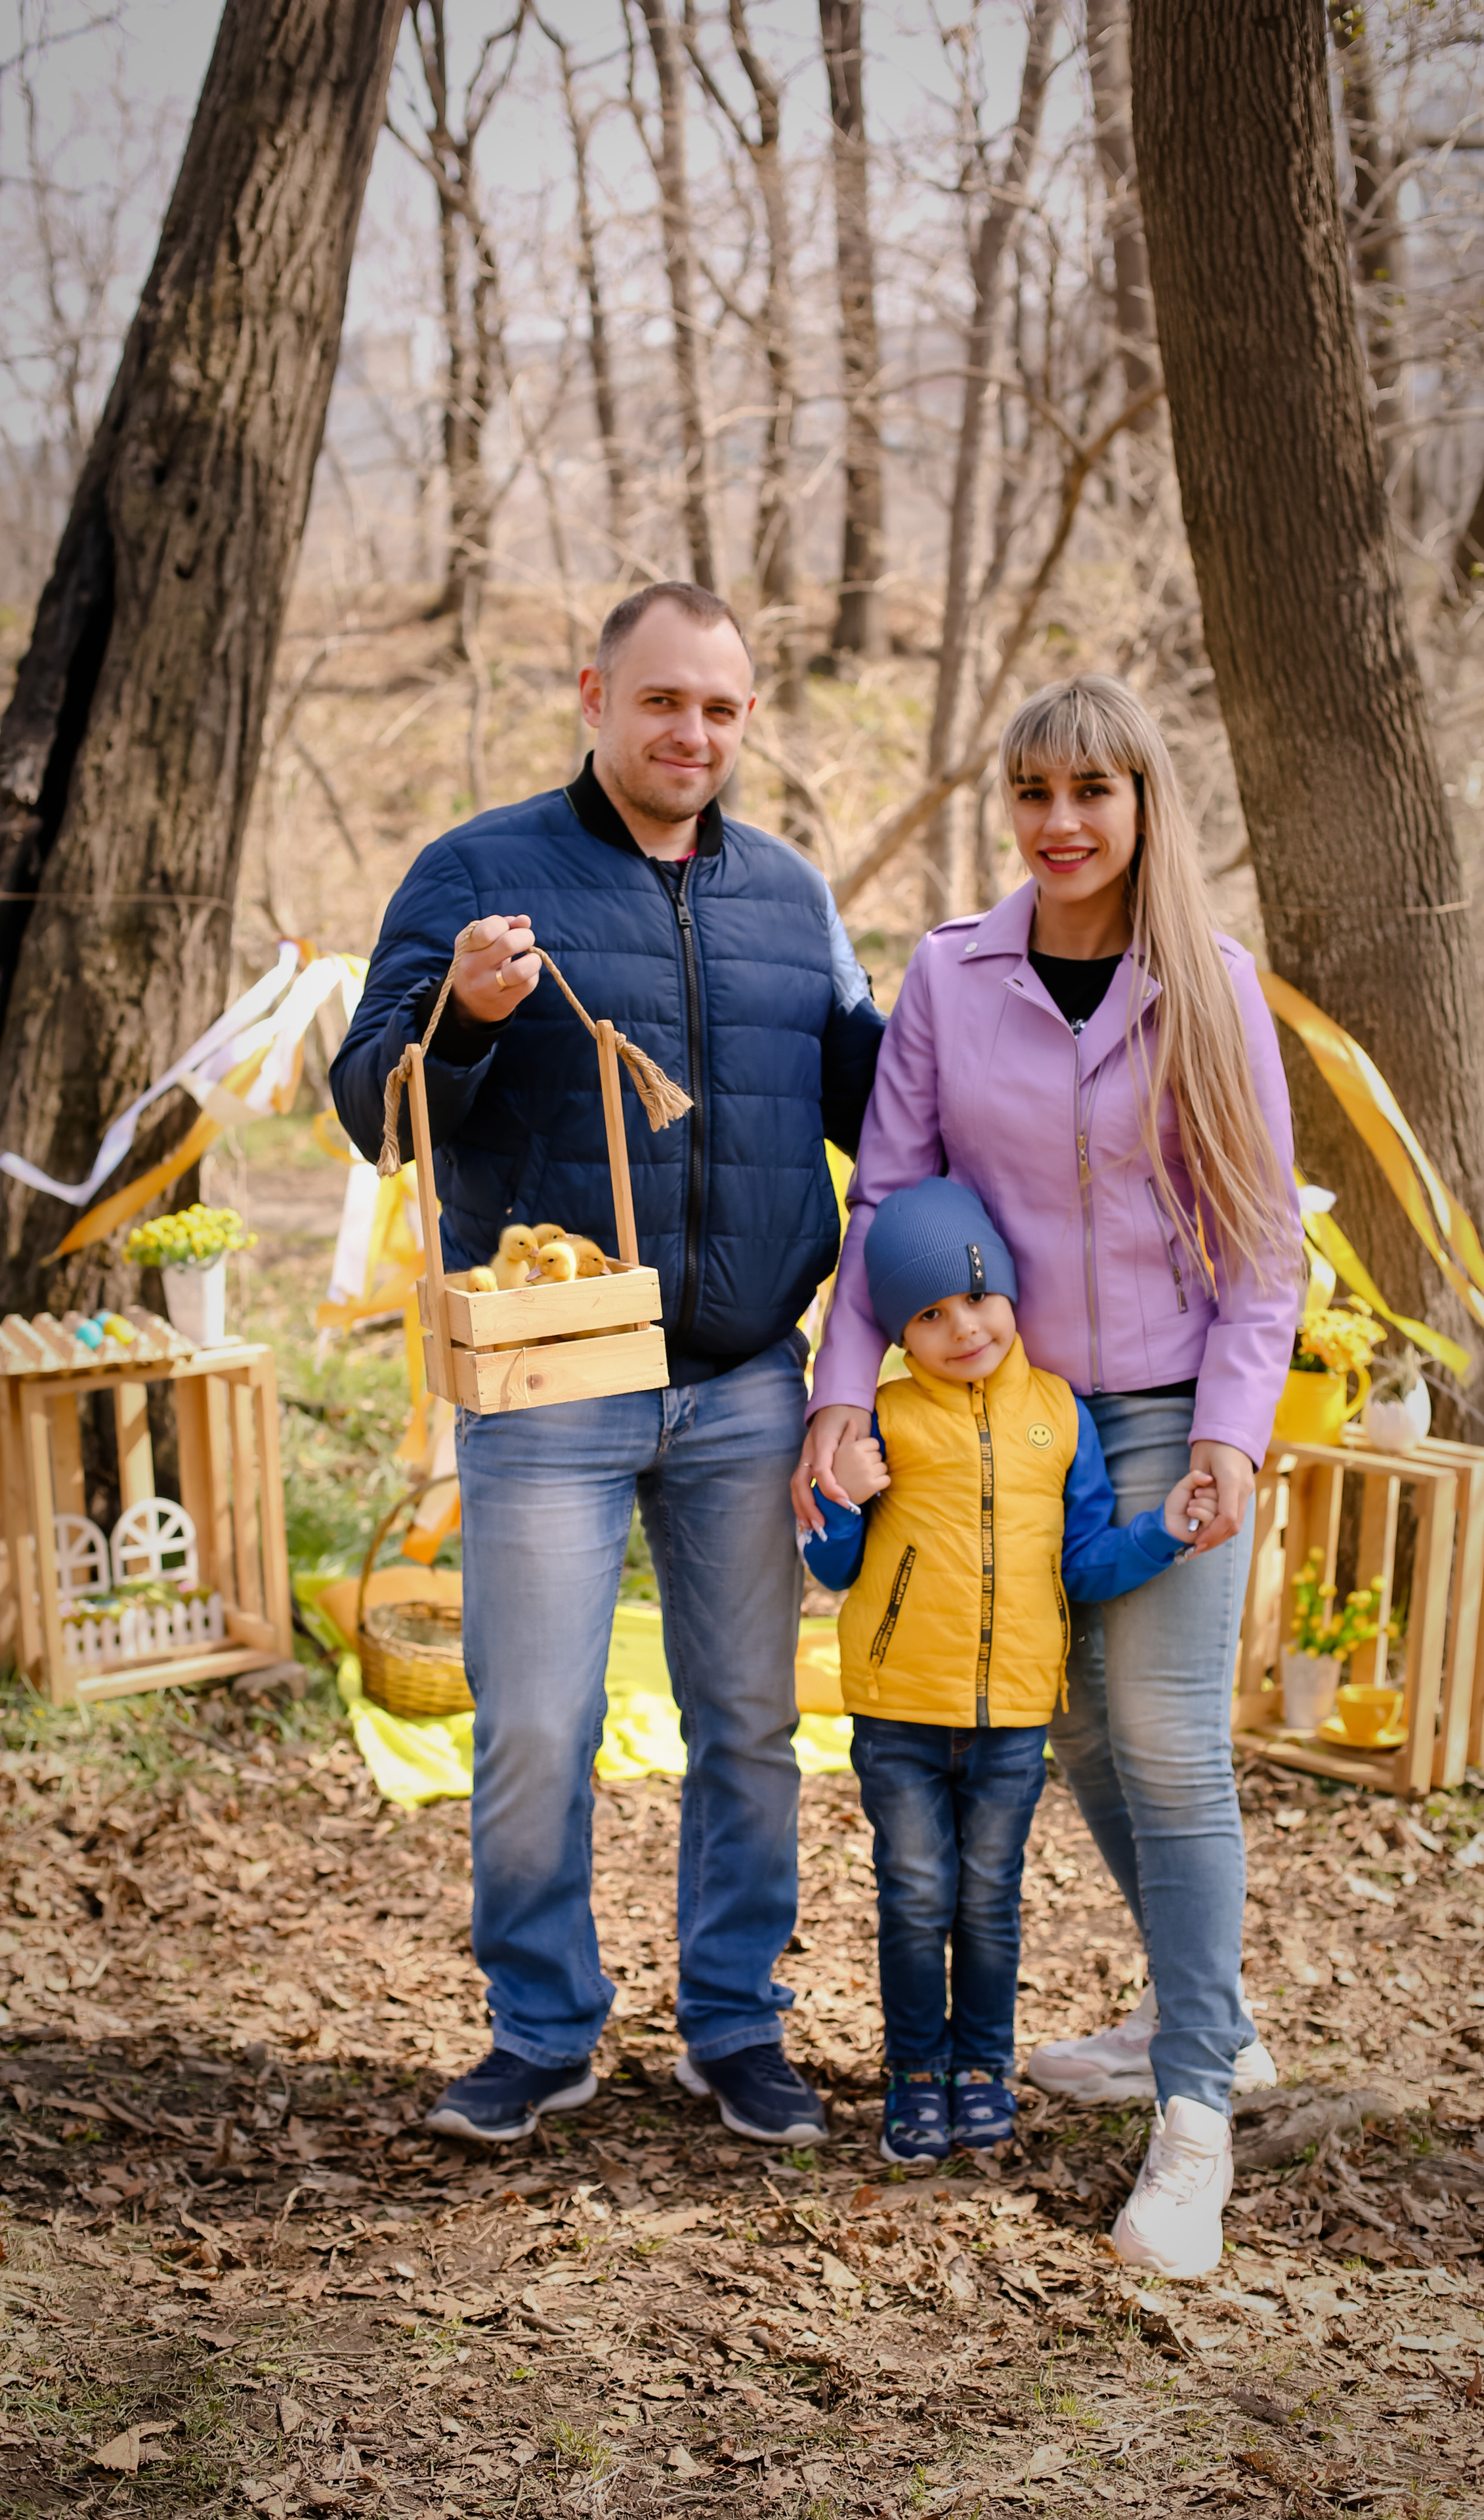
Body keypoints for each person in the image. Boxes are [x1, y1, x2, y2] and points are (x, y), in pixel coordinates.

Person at [333, 584, 884, 2149]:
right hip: (548, 1379)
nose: (688, 733)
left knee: (749, 1724)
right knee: (528, 1721)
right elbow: (370, 1105)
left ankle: (731, 2023)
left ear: (748, 717)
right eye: (659, 702)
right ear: (593, 695)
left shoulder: (790, 897)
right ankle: (539, 2028)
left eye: (717, 708)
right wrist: (463, 1018)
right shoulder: (480, 873)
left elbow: (873, 1096)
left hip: (744, 1378)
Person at [796, 673, 1300, 2278]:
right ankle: (1198, 2002)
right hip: (995, 1416)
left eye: (1092, 790)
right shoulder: (951, 976)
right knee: (1059, 1716)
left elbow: (1263, 1246)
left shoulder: (1211, 989)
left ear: (1145, 802)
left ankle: (1192, 2113)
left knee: (1162, 1743)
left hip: (1162, 1410)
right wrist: (839, 1398)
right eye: (1031, 791)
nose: (1060, 822)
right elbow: (882, 1202)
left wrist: (1229, 1429)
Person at [799, 1177, 1218, 2169]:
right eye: (930, 1315)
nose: (963, 1327)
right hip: (899, 1708)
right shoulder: (886, 1419)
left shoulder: (1060, 1416)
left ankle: (981, 2069)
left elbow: (1083, 1562)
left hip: (1014, 1714)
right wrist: (847, 1501)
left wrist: (1161, 1534)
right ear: (901, 1336)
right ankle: (914, 2074)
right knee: (911, 1895)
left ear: (1011, 1292)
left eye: (977, 1299)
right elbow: (831, 1566)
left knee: (989, 1896)